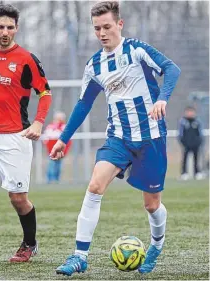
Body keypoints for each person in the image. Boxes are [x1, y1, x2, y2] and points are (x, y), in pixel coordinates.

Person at [50, 1, 181, 276]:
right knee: (95, 186)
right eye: (97, 28)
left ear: (119, 24)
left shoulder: (137, 50)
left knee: (152, 204)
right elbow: (84, 104)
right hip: (118, 138)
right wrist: (63, 138)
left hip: (150, 138)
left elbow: (172, 69)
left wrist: (162, 99)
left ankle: (157, 244)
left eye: (107, 26)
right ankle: (79, 256)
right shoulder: (94, 65)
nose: (102, 33)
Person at [0, 4, 52, 262]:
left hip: (16, 138)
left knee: (18, 198)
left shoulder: (26, 59)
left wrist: (38, 122)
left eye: (10, 27)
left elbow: (45, 92)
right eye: (0, 26)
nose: (5, 31)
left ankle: (29, 244)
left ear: (16, 29)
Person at [43, 112, 72, 183]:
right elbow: (46, 138)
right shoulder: (50, 127)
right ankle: (50, 180)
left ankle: (56, 180)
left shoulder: (64, 127)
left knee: (58, 166)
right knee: (52, 165)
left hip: (61, 151)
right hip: (51, 151)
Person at [178, 106, 204, 180]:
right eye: (188, 112)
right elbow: (180, 134)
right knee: (185, 159)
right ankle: (184, 173)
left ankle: (197, 173)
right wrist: (183, 143)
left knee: (196, 159)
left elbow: (200, 133)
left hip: (196, 144)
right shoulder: (183, 122)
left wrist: (199, 142)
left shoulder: (197, 121)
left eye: (191, 112)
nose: (190, 113)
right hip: (186, 144)